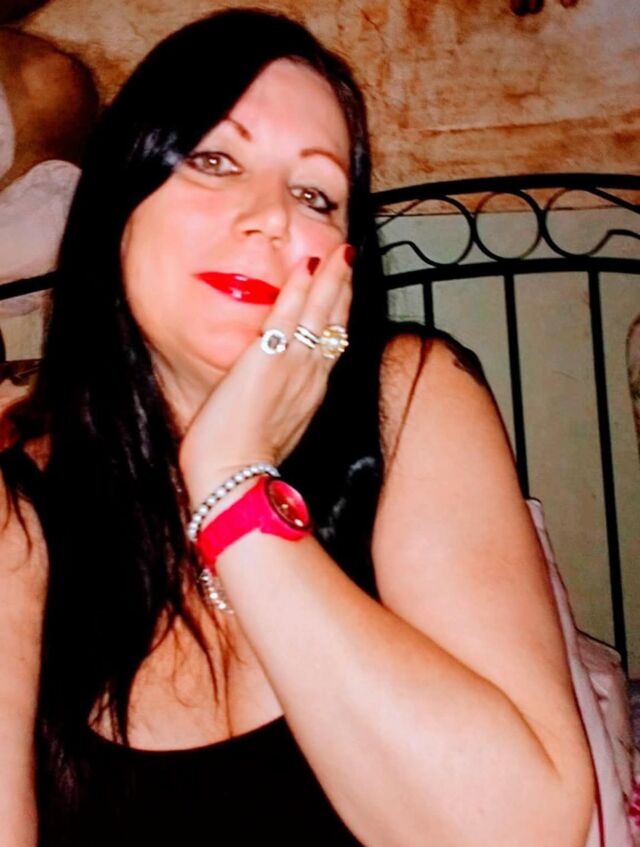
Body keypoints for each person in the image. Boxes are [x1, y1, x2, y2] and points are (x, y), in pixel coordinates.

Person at [0, 8, 595, 846]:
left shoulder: (409, 397)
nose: (272, 215)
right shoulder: (19, 514)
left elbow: (520, 832)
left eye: (315, 193)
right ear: (119, 204)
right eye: (214, 159)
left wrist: (233, 486)